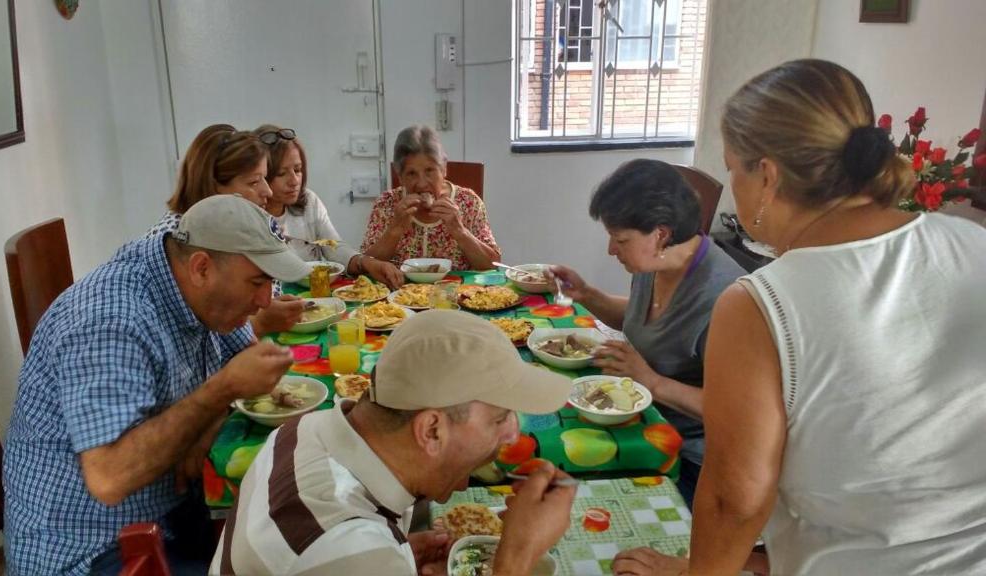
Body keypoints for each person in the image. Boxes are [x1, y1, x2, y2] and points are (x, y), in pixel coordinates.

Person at [613, 59, 986, 575]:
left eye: (731, 167)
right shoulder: (973, 242)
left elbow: (735, 501)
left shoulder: (760, 305)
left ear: (766, 176)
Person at [3, 196, 307, 575]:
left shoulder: (196, 289)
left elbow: (244, 364)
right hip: (90, 549)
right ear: (201, 268)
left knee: (295, 532)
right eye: (257, 282)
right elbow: (110, 478)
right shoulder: (108, 321)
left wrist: (208, 419)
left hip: (167, 511)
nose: (266, 300)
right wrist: (219, 393)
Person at [211, 310, 577, 576]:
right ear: (431, 430)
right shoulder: (354, 552)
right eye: (499, 418)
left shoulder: (305, 427)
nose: (513, 434)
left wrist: (396, 553)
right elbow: (343, 553)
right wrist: (517, 557)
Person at [550, 159, 744, 508]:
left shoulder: (724, 299)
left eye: (619, 239)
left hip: (686, 459)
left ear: (661, 234)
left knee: (571, 497)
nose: (612, 250)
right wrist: (588, 295)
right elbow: (645, 321)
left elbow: (732, 410)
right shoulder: (653, 263)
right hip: (636, 419)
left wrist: (648, 380)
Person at [146, 123, 306, 335]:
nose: (267, 191)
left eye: (265, 179)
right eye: (253, 182)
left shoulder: (249, 222)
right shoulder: (179, 241)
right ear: (214, 189)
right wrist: (258, 323)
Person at [254, 124, 404, 289]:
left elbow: (334, 247)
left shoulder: (309, 201)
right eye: (281, 174)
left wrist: (367, 263)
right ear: (261, 176)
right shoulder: (251, 217)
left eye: (297, 170)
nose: (294, 181)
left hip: (317, 295)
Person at [361, 125, 501, 270]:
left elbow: (492, 266)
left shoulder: (469, 202)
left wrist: (460, 231)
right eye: (411, 173)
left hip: (457, 291)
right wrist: (395, 229)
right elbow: (365, 266)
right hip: (399, 291)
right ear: (400, 177)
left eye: (429, 171)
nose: (422, 184)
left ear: (444, 169)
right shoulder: (386, 204)